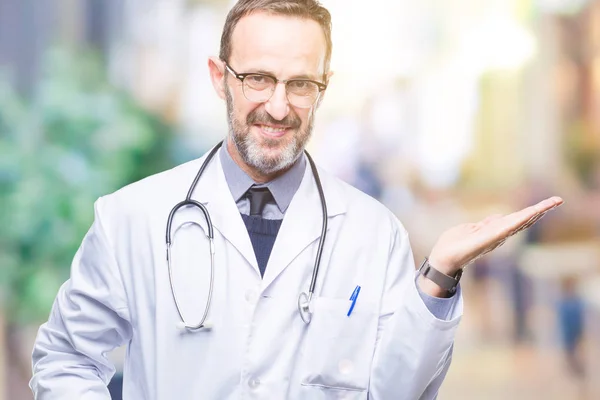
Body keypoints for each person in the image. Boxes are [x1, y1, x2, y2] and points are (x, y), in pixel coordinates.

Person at [29, 1, 563, 399]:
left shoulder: (374, 232)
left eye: (300, 84)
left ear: (323, 87)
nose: (278, 106)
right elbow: (66, 359)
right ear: (221, 78)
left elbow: (397, 392)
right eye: (259, 78)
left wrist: (439, 273)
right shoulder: (133, 217)